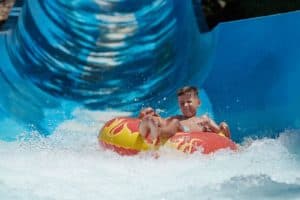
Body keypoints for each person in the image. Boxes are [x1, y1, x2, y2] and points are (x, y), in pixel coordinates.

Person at [138, 86, 230, 141]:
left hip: (185, 131)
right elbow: (164, 121)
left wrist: (222, 126)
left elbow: (219, 132)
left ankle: (158, 132)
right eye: (182, 103)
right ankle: (144, 121)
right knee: (158, 118)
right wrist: (155, 116)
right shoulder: (178, 117)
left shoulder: (204, 119)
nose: (185, 105)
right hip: (175, 128)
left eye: (189, 102)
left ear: (198, 103)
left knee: (175, 123)